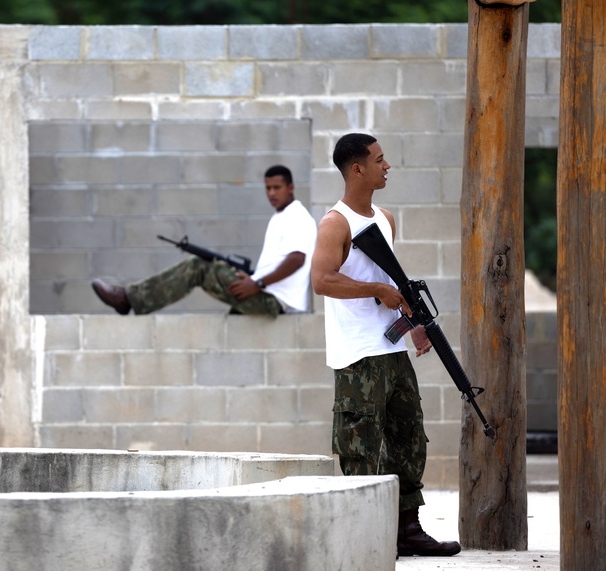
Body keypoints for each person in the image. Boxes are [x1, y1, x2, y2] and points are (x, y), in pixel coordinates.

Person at [310, 133, 461, 558]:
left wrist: (411, 324)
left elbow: (394, 283)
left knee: (409, 438)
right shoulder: (335, 223)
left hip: (391, 350)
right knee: (360, 446)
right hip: (358, 356)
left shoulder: (386, 218)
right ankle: (360, 537)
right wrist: (375, 288)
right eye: (379, 160)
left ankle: (407, 530)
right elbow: (322, 280)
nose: (387, 165)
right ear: (357, 169)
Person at [91, 165, 316, 317]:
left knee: (197, 268)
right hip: (266, 292)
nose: (272, 193)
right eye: (268, 188)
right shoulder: (282, 216)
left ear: (291, 187)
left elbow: (296, 260)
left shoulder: (298, 217)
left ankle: (129, 298)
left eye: (277, 187)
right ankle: (130, 298)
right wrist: (252, 278)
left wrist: (256, 284)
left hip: (274, 302)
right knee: (210, 265)